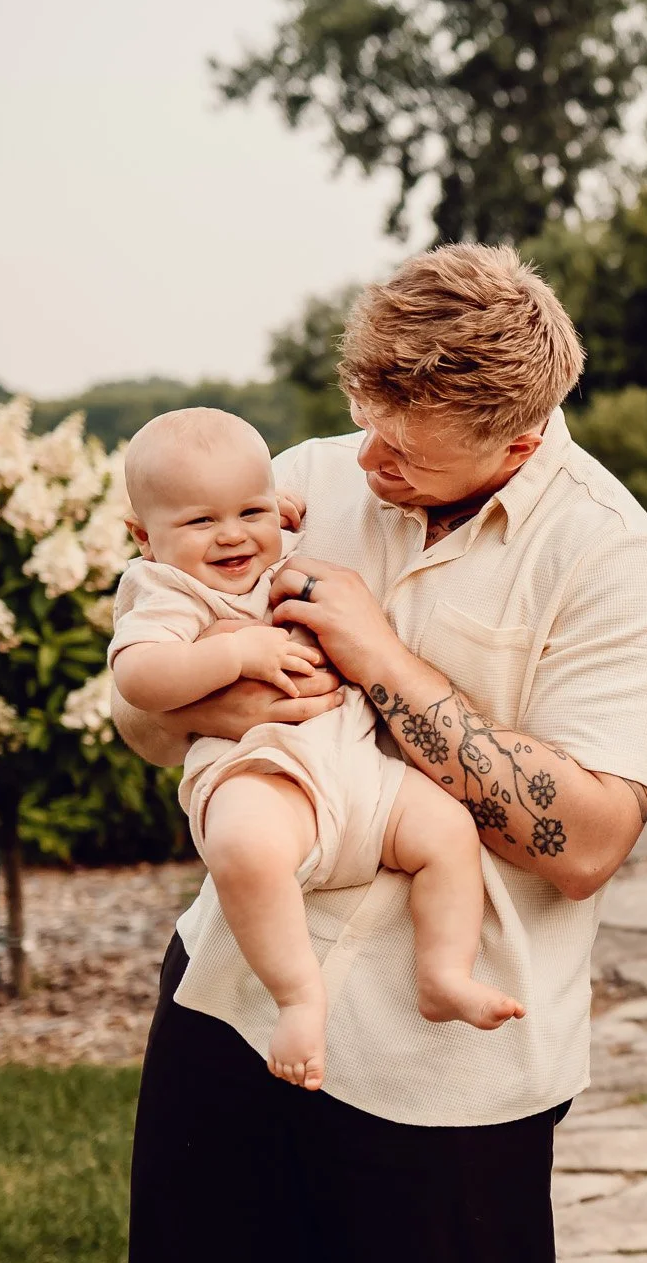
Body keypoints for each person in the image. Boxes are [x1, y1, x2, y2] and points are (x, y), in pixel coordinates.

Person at [112, 245, 647, 1263]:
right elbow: (142, 707)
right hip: (233, 1009)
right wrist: (218, 692)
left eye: (406, 450)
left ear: (518, 441)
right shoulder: (298, 482)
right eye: (364, 420)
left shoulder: (617, 564)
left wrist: (377, 660)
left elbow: (582, 841)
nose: (365, 460)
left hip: (450, 1078)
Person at [109, 406, 523, 1092]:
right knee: (246, 850)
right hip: (262, 772)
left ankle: (444, 973)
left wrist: (271, 513)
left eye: (250, 511)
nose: (231, 536)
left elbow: (262, 513)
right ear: (143, 538)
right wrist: (239, 648)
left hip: (359, 769)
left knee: (449, 830)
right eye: (199, 522)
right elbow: (138, 676)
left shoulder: (274, 541)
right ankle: (299, 997)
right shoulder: (168, 590)